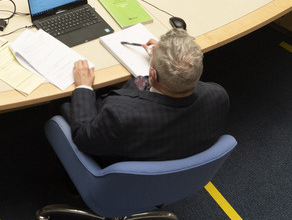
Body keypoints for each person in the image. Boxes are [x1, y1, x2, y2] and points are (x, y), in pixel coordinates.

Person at [62, 28, 230, 165]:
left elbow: (83, 137)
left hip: (119, 172)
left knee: (64, 106)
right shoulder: (218, 97)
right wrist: (167, 58)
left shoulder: (120, 116)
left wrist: (84, 86)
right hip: (176, 163)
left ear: (152, 75)